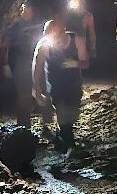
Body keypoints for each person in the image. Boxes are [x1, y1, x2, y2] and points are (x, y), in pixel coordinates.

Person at [31, 19, 88, 154]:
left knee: (73, 114)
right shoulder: (44, 47)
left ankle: (59, 137)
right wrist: (37, 90)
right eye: (50, 34)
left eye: (56, 33)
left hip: (74, 85)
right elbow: (36, 69)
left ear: (64, 31)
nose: (54, 38)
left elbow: (86, 63)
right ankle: (70, 145)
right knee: (62, 113)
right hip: (56, 86)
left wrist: (75, 63)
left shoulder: (76, 40)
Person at [0, 1, 44, 127]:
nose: (27, 13)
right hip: (20, 62)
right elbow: (4, 45)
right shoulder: (13, 27)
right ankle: (24, 126)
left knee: (40, 89)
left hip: (37, 59)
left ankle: (46, 119)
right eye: (25, 10)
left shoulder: (37, 25)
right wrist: (5, 64)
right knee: (24, 95)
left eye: (29, 10)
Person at [62, 0, 96, 67]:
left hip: (80, 44)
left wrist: (93, 46)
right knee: (65, 64)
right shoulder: (67, 15)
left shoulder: (87, 16)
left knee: (81, 64)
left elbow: (91, 32)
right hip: (67, 42)